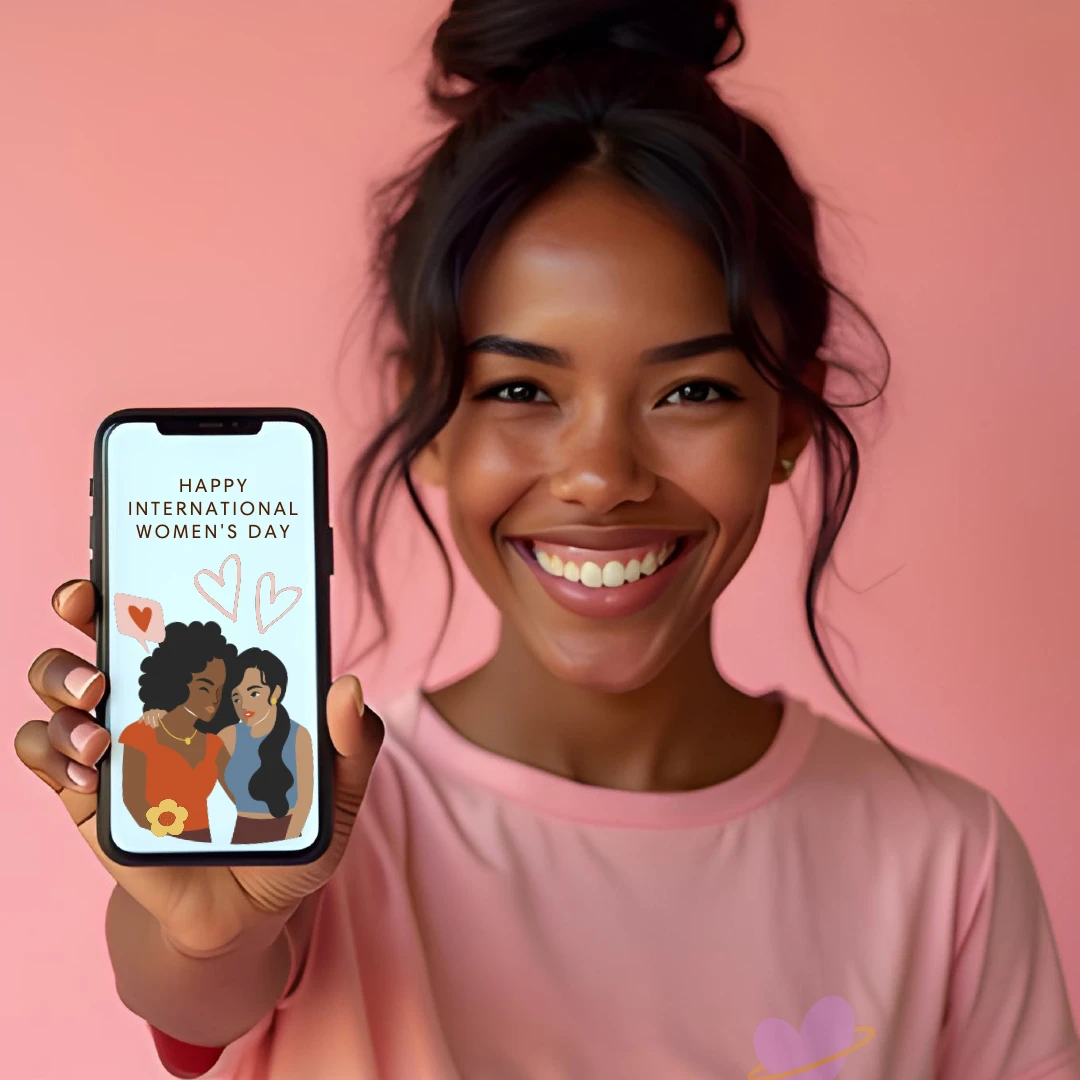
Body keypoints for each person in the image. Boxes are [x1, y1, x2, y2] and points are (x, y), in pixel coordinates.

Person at [15, 2, 1080, 1077]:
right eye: (522, 387)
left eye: (693, 390)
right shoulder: (312, 830)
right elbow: (197, 986)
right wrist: (206, 931)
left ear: (791, 421)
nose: (603, 478)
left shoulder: (950, 864)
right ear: (426, 415)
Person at [116, 620, 236, 843]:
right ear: (177, 681)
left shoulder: (214, 745)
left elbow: (242, 795)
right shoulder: (140, 734)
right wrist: (172, 835)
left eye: (220, 690)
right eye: (204, 687)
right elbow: (134, 802)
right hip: (154, 845)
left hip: (206, 849)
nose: (214, 700)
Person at [197, 648, 315, 844]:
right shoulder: (227, 736)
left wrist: (289, 841)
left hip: (289, 836)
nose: (243, 705)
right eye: (236, 697)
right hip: (242, 835)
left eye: (254, 693)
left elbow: (304, 802)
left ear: (275, 692)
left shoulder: (299, 735)